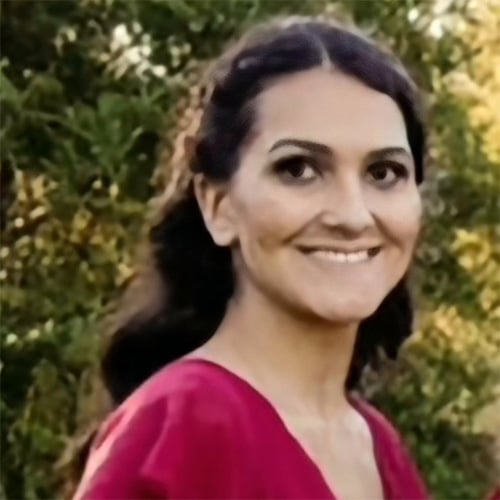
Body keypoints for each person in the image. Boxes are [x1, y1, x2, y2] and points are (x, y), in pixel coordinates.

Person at [73, 16, 429, 499]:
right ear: (218, 207)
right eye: (299, 169)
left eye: (384, 173)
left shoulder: (373, 442)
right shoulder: (179, 426)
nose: (352, 215)